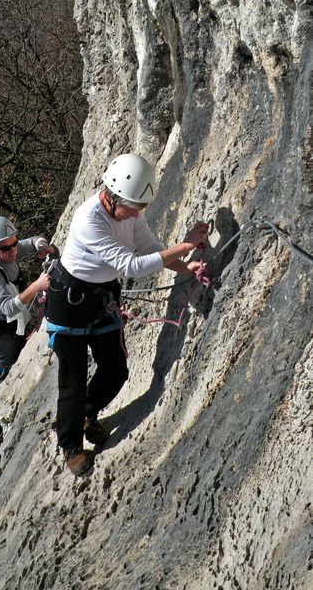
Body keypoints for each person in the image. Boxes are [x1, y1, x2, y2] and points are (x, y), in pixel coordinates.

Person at [45, 153, 209, 476]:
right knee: (73, 379)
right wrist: (185, 246)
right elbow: (132, 265)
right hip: (69, 303)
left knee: (116, 370)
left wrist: (184, 267)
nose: (136, 215)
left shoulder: (130, 208)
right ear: (110, 196)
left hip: (100, 297)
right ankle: (71, 446)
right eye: (133, 210)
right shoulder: (88, 220)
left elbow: (149, 247)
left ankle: (86, 414)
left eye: (139, 210)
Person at [0, 215, 52, 479]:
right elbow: (8, 307)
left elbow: (26, 246)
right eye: (4, 248)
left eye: (13, 244)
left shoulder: (8, 252)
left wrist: (39, 243)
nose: (12, 251)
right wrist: (36, 286)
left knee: (0, 395)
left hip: (13, 333)